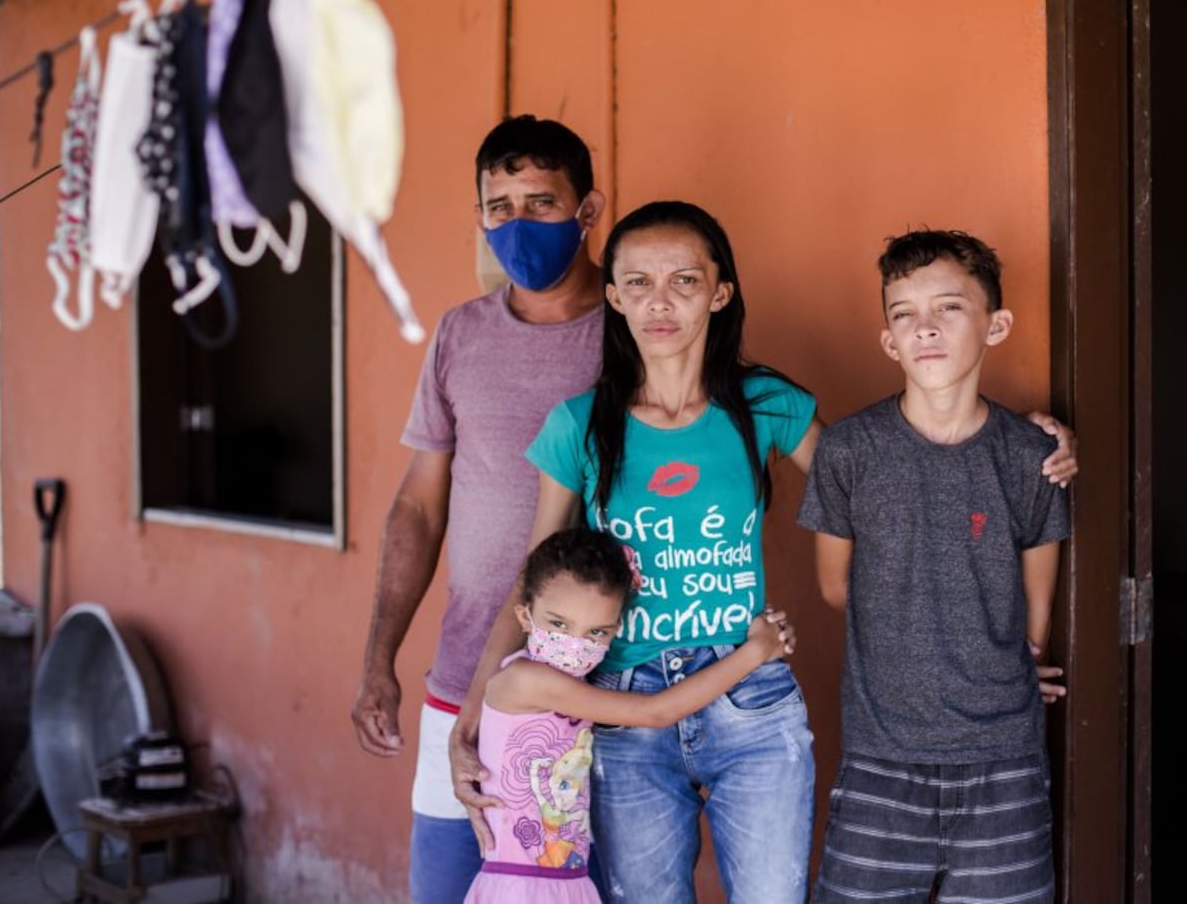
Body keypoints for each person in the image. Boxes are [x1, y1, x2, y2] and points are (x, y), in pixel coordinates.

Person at [456, 204, 1077, 902]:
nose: (659, 301)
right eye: (637, 282)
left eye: (685, 279)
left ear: (721, 292)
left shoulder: (766, 404)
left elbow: (882, 482)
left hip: (750, 699)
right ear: (614, 295)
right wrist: (477, 707)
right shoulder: (580, 425)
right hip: (624, 706)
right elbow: (535, 580)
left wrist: (1025, 445)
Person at [351, 115, 608, 904]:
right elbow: (419, 510)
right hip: (463, 682)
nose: (518, 224)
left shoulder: (640, 333)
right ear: (479, 217)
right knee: (448, 887)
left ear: (588, 211)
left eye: (541, 202)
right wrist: (377, 661)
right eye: (500, 206)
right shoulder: (461, 335)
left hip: (603, 690)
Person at [798, 229, 1069, 903]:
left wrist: (1000, 665)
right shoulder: (850, 451)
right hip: (879, 759)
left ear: (995, 325)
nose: (925, 329)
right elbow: (837, 588)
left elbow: (1034, 613)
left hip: (1002, 762)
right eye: (904, 315)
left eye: (948, 308)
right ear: (888, 340)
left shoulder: (1031, 453)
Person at [462, 527, 796, 904]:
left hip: (567, 880)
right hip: (522, 887)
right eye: (558, 624)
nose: (575, 643)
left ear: (616, 631)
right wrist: (754, 652)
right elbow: (656, 712)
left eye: (596, 632)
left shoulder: (575, 681)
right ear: (525, 615)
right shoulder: (525, 680)